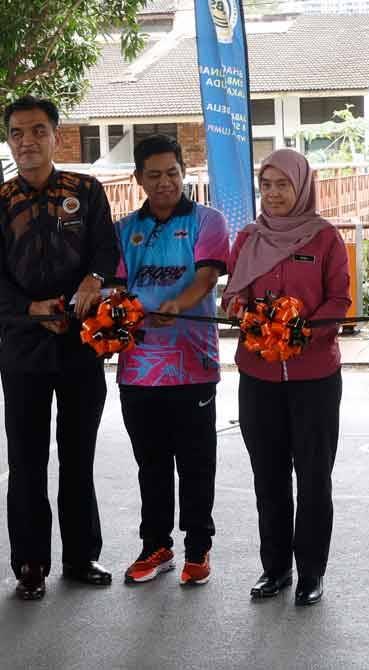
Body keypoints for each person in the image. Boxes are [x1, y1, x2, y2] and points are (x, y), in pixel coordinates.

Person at [0, 95, 119, 600]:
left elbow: (106, 252)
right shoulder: (1, 201)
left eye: (38, 131)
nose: (28, 141)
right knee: (26, 457)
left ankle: (80, 556)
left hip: (79, 345)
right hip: (23, 349)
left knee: (78, 454)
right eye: (17, 133)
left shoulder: (87, 191)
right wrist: (32, 311)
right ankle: (29, 563)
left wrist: (94, 279)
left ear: (55, 135)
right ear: (9, 141)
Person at [224, 148, 350, 606]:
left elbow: (339, 301)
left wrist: (302, 335)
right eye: (267, 185)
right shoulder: (248, 237)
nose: (274, 194)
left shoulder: (324, 239)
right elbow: (233, 296)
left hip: (314, 377)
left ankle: (311, 573)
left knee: (314, 477)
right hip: (258, 376)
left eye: (283, 185)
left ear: (301, 186)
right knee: (268, 476)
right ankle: (274, 569)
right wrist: (242, 311)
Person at [114, 135, 229, 586]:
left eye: (173, 173)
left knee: (198, 463)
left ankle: (198, 550)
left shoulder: (208, 221)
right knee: (151, 464)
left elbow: (206, 276)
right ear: (139, 178)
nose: (165, 183)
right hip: (137, 369)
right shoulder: (124, 230)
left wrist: (179, 305)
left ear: (185, 172)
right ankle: (156, 546)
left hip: (193, 364)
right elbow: (115, 288)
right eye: (155, 175)